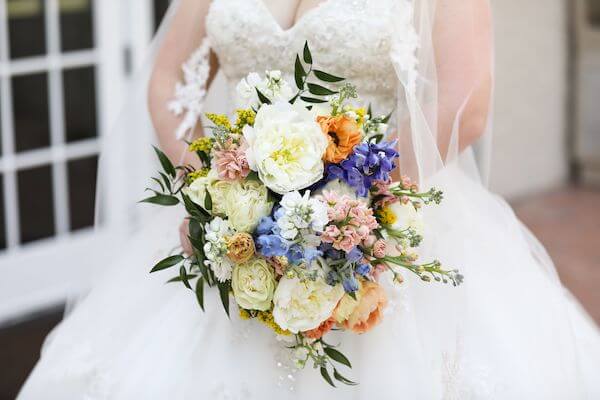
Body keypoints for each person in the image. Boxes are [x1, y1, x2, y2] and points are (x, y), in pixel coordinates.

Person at [19, 0, 600, 398]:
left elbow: (464, 101)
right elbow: (169, 77)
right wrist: (212, 195)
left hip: (380, 214)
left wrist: (346, 208)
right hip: (239, 227)